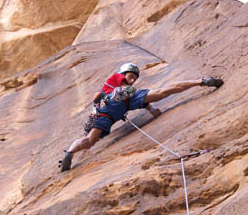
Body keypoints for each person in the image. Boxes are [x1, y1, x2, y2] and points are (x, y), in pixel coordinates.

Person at [59, 62, 223, 172]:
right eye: (131, 76)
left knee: (89, 141)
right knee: (160, 91)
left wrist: (152, 110)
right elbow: (122, 89)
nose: (133, 79)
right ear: (124, 73)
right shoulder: (116, 78)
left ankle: (70, 153)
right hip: (113, 102)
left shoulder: (125, 87)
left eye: (135, 78)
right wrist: (126, 90)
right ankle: (200, 81)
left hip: (111, 110)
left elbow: (136, 98)